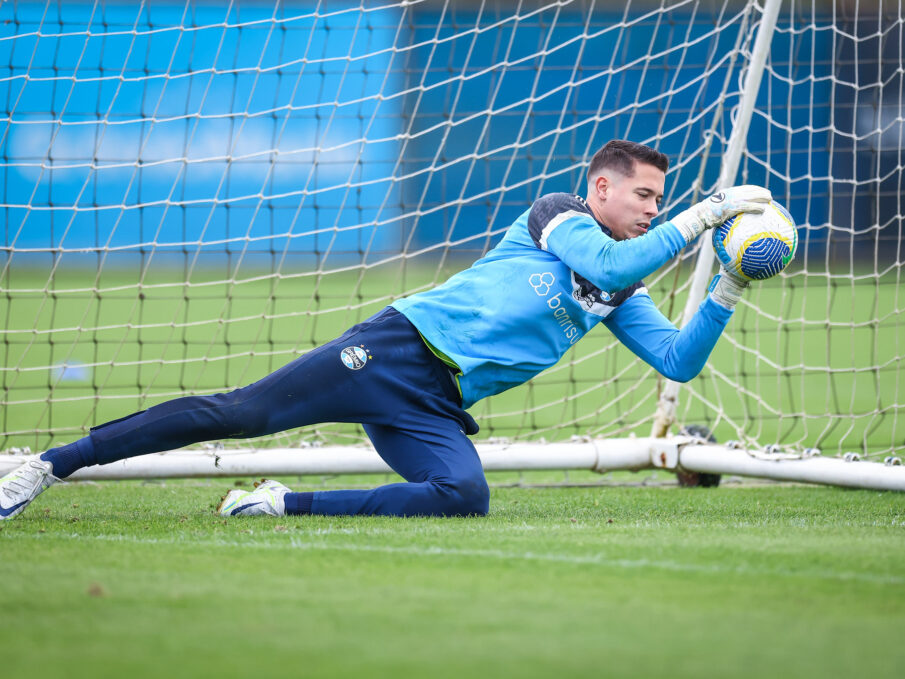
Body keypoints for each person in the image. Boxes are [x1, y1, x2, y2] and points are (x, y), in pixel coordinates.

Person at [0, 140, 771, 521]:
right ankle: (47, 464)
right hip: (393, 351)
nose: (651, 206)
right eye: (643, 194)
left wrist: (727, 286)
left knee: (464, 495)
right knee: (242, 412)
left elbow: (676, 356)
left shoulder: (619, 281)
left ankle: (280, 503)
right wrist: (704, 216)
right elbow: (614, 257)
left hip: (433, 405)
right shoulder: (559, 217)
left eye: (661, 199)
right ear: (600, 187)